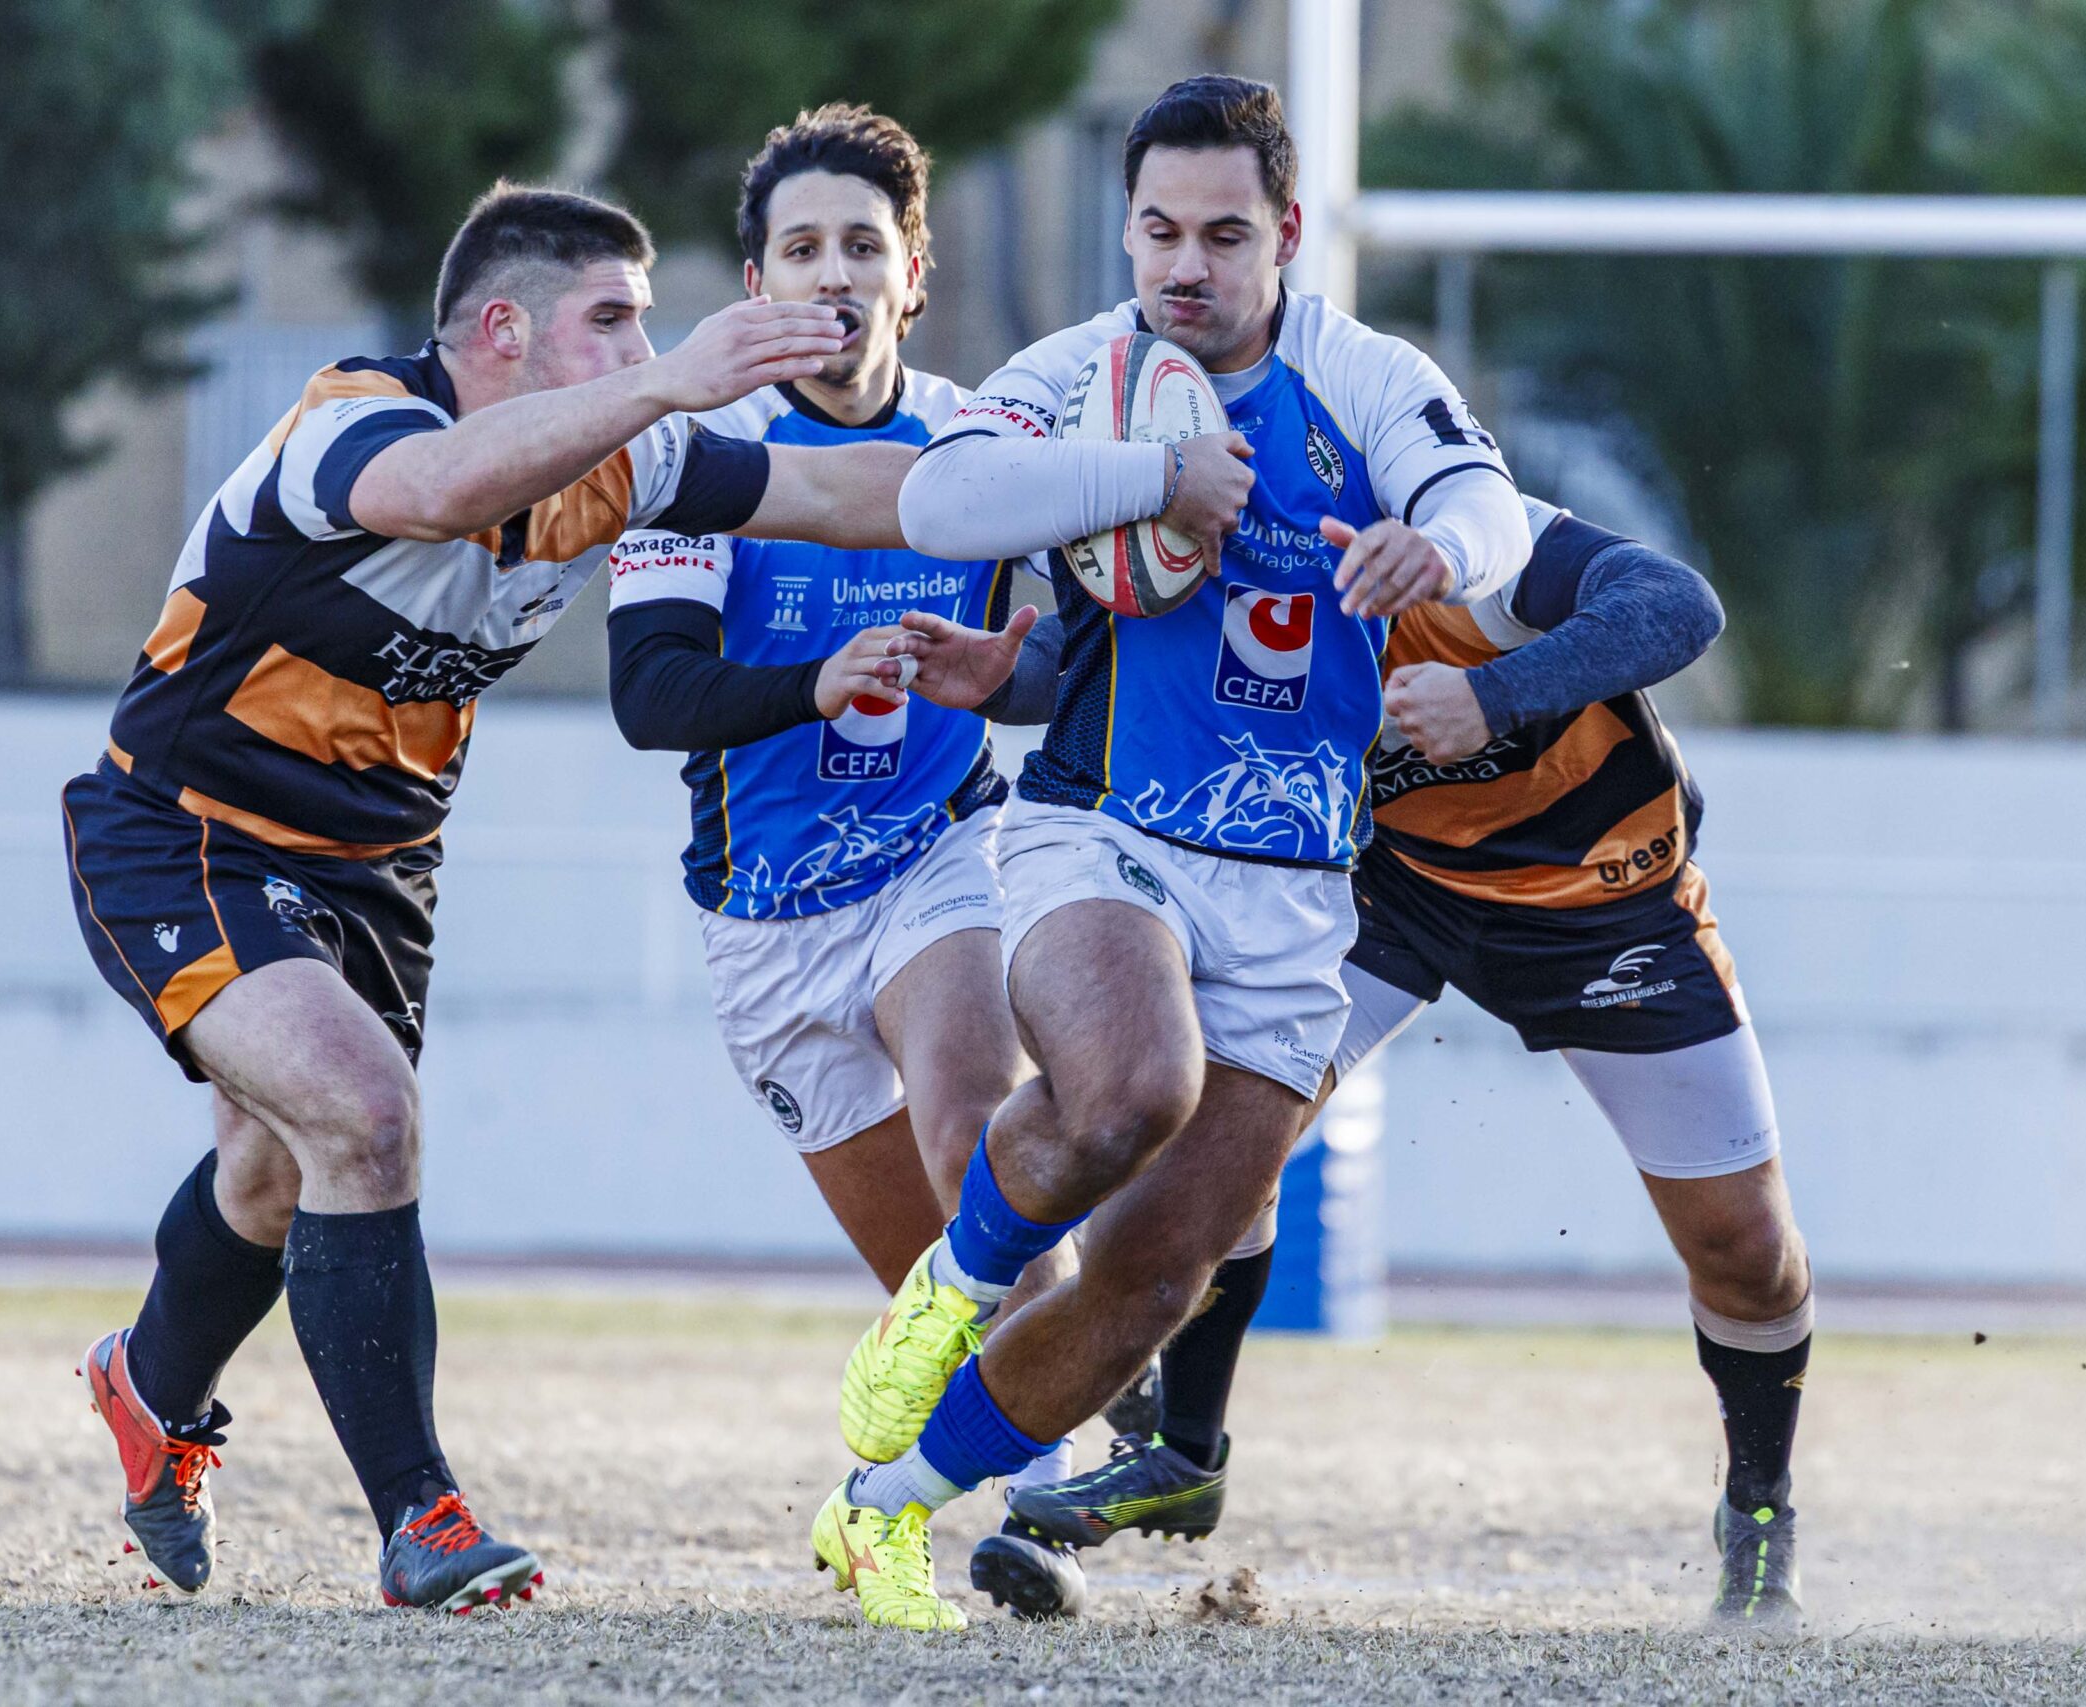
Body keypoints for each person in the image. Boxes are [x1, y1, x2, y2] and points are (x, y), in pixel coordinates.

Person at [66, 182, 912, 1613]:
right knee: (365, 1115)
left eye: (646, 320)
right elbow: (446, 490)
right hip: (189, 830)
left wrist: (1105, 499)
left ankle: (149, 1387)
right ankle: (424, 1518)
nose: (642, 342)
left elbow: (849, 494)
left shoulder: (623, 464)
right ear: (502, 329)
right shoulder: (351, 422)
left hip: (381, 865)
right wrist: (675, 376)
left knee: (279, 1165)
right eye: (612, 320)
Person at [801, 76, 1532, 1631]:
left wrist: (1441, 546)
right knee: (1134, 1084)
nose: (1184, 265)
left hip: (1295, 887)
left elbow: (1493, 508)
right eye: (1156, 230)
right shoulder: (1085, 373)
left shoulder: (1359, 372)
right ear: (1126, 231)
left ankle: (884, 1510)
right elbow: (945, 494)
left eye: (1221, 233)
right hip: (1100, 828)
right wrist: (1155, 477)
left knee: (1155, 1275)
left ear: (1283, 235)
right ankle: (948, 1294)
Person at [1000, 496, 1818, 1626]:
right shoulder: (1236, 555)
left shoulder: (1469, 541)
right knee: (1211, 1146)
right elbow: (1091, 668)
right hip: (1389, 895)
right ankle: (1183, 1453)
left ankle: (1759, 1506)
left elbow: (1679, 605)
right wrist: (987, 673)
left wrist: (1488, 695)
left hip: (1606, 907)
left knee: (1747, 1251)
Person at [602, 106, 1086, 1614]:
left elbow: (1060, 664)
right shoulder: (696, 454)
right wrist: (809, 684)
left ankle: (1050, 1499)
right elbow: (648, 694)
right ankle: (920, 1491)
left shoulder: (987, 444)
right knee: (929, 1281)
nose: (833, 273)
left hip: (941, 858)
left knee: (975, 1115)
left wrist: (1008, 673)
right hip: (763, 923)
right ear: (755, 282)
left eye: (861, 246)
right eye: (800, 248)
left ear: (914, 272)